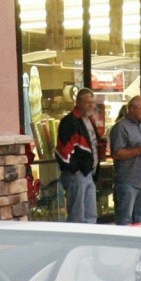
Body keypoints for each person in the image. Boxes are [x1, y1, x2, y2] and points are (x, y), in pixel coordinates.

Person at [55, 88, 102, 223]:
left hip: (89, 173)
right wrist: (75, 169)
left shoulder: (89, 120)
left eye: (92, 102)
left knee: (91, 215)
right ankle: (75, 243)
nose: (91, 105)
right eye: (87, 102)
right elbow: (61, 151)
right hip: (78, 174)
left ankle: (89, 242)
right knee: (77, 216)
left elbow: (91, 143)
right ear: (78, 102)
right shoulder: (69, 121)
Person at [109, 94, 141, 224]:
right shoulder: (120, 127)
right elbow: (116, 153)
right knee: (124, 218)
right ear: (132, 108)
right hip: (128, 180)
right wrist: (139, 150)